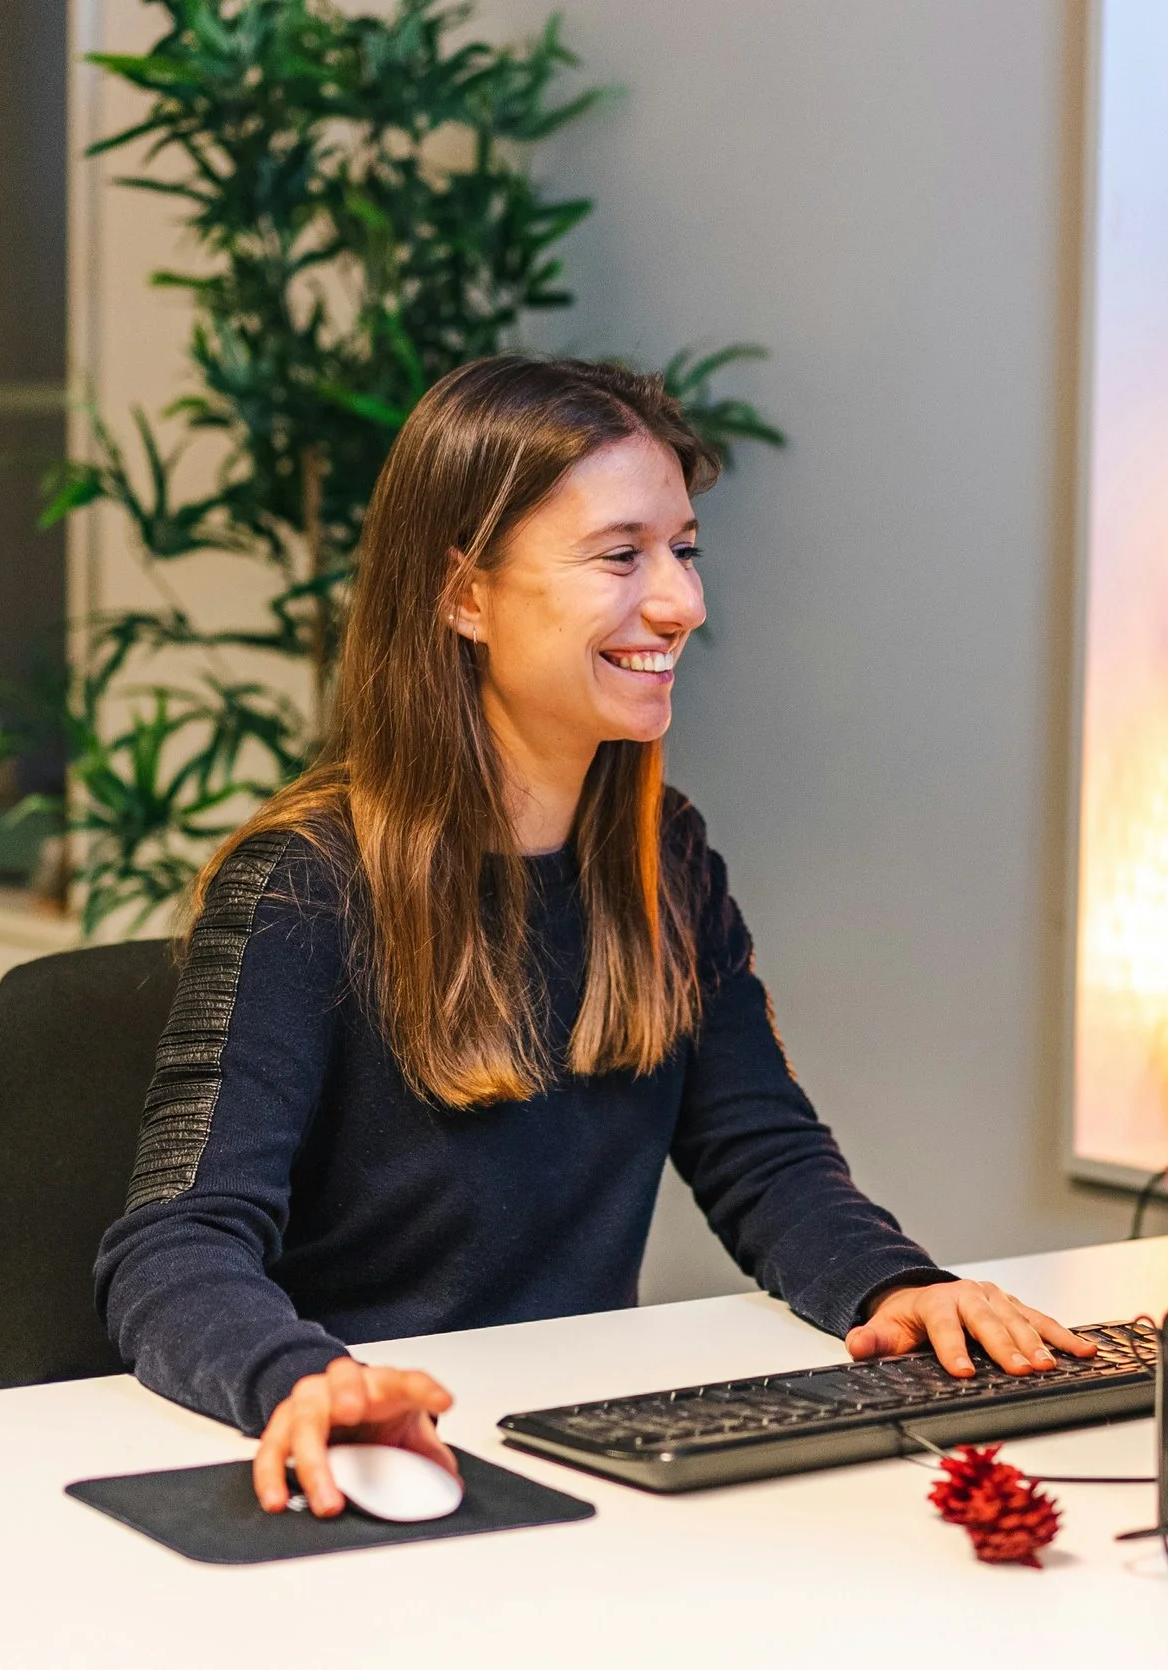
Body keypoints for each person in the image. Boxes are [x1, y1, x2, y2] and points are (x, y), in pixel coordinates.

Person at [95, 355, 1093, 1519]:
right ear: (462, 593)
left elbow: (763, 1159)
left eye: (684, 549)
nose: (680, 602)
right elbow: (174, 1246)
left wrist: (899, 1282)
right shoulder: (304, 886)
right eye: (621, 555)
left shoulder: (661, 857)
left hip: (564, 1448)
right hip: (354, 1467)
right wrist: (306, 1378)